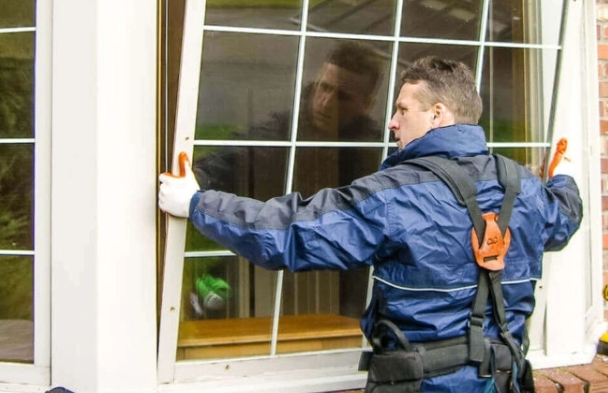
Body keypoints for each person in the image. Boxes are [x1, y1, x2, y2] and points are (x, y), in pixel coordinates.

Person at [159, 57, 583, 392]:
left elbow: (291, 233)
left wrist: (196, 203)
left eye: (402, 109)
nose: (392, 121)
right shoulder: (525, 188)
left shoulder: (397, 195)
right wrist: (562, 176)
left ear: (437, 115)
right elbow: (565, 217)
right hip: (505, 379)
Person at [191, 41, 384, 318]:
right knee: (213, 299)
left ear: (366, 105)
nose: (325, 102)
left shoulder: (373, 151)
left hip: (338, 273)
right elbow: (235, 155)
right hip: (267, 254)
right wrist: (198, 177)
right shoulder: (283, 131)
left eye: (342, 96)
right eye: (324, 87)